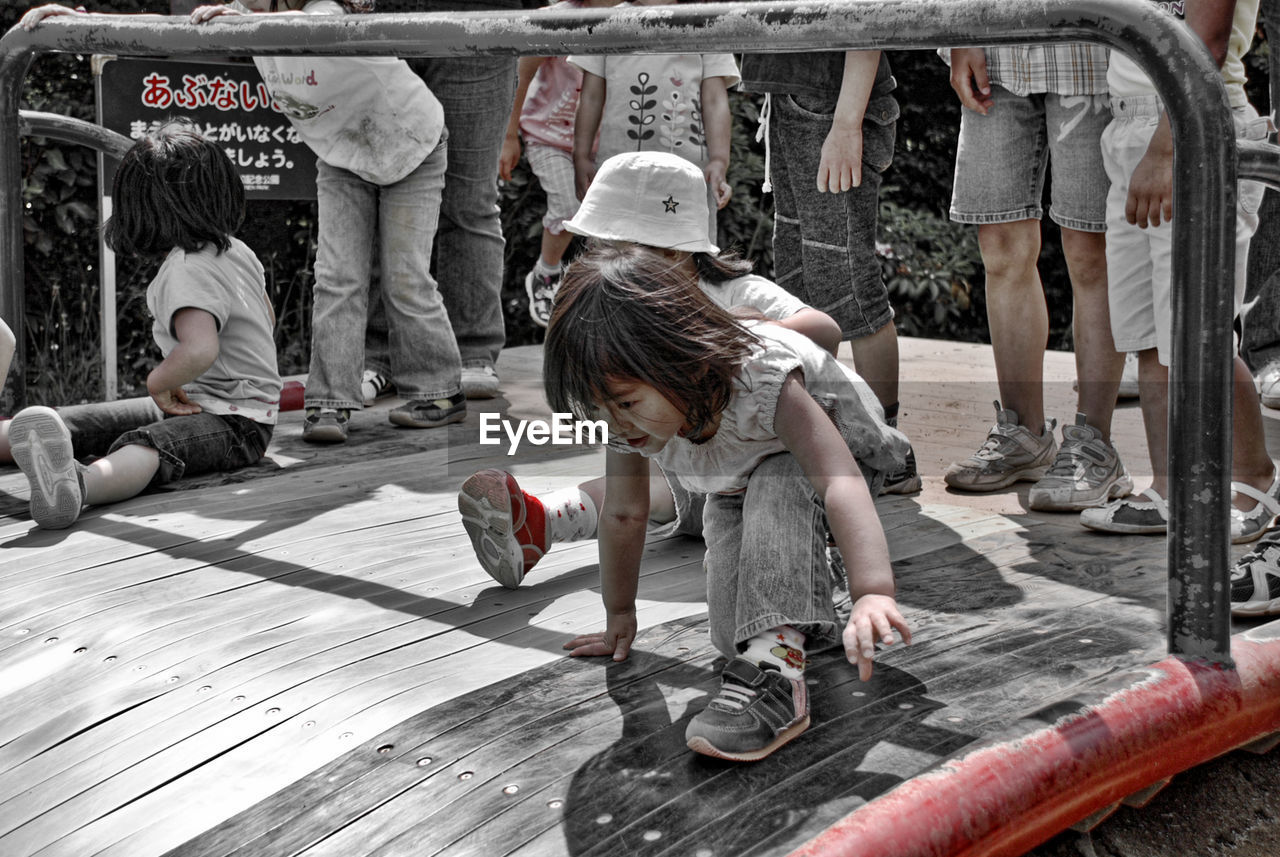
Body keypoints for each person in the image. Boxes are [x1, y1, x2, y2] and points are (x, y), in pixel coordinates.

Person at [541, 241, 912, 762]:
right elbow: (624, 512)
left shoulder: (760, 376)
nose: (615, 423)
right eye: (599, 409)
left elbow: (839, 482)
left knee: (779, 485)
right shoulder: (626, 417)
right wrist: (619, 615)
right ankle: (794, 628)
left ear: (683, 364)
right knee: (731, 633)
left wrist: (872, 590)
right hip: (737, 480)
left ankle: (777, 686)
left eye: (625, 403)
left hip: (837, 457)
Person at [458, 151, 843, 589]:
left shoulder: (732, 291)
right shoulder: (617, 319)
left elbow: (827, 332)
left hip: (773, 476)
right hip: (693, 476)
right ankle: (538, 523)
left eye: (616, 250)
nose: (604, 265)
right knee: (644, 474)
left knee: (677, 486)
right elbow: (625, 486)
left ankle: (544, 521)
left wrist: (756, 330)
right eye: (598, 248)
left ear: (673, 251)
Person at [189, 0, 466, 444]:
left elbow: (315, 24)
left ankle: (439, 391)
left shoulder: (323, 8)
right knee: (336, 276)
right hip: (342, 154)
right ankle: (331, 401)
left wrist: (242, 19)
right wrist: (75, 17)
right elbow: (162, 28)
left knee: (405, 277)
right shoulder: (241, 22)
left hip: (412, 143)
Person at [0, 118, 281, 529]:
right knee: (81, 422)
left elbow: (201, 348)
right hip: (210, 404)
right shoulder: (236, 250)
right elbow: (266, 319)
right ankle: (36, 448)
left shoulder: (187, 270)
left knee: (149, 444)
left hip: (236, 424)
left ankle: (80, 485)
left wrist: (159, 383)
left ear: (143, 208)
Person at [1080, 0, 1280, 551]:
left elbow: (1205, 44)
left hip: (1191, 121)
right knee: (1147, 333)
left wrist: (1165, 147)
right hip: (1127, 125)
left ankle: (1255, 477)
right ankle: (1169, 485)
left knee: (1202, 333)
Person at [939, 44, 1133, 511]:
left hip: (1088, 53)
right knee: (1000, 248)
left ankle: (1094, 444)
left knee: (1090, 251)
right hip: (998, 51)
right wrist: (962, 35)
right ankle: (1022, 435)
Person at [737, 46, 920, 494]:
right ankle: (835, 436)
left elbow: (863, 22)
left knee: (848, 285)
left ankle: (892, 454)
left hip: (835, 105)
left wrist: (846, 123)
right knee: (798, 281)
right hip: (793, 98)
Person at [376, 0, 519, 401]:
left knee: (469, 201)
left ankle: (471, 350)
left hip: (481, 21)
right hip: (375, 21)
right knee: (373, 190)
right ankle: (376, 354)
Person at [568, 0, 738, 239]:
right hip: (619, 170)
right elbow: (591, 97)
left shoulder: (704, 21)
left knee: (683, 252)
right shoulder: (606, 21)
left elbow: (715, 100)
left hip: (685, 175)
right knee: (615, 252)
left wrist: (720, 160)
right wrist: (581, 155)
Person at [499, 0, 620, 329]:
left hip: (599, 141)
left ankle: (600, 292)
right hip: (547, 135)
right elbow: (521, 74)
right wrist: (509, 136)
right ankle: (547, 272)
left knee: (605, 221)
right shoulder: (556, 20)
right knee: (567, 204)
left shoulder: (629, 19)